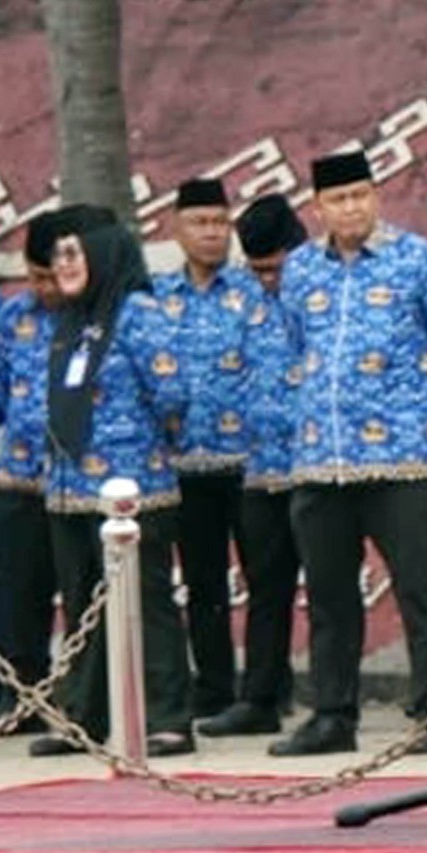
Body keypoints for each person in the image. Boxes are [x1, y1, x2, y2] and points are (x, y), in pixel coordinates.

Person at [268, 150, 427, 758]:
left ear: (376, 196)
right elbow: (293, 349)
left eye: (360, 195)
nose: (351, 208)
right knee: (328, 597)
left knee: (421, 591)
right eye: (338, 199)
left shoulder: (419, 261)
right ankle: (332, 716)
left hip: (401, 459)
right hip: (321, 460)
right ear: (318, 207)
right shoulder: (301, 269)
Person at [32, 216, 199, 757]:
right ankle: (84, 717)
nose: (63, 265)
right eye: (58, 256)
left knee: (146, 605)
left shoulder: (137, 313)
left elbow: (173, 393)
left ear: (103, 256)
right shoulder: (69, 319)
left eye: (73, 253)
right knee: (83, 606)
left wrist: (137, 442)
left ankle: (169, 718)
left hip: (131, 490)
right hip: (69, 487)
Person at [152, 177, 278, 721]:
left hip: (251, 465)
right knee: (203, 585)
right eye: (199, 223)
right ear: (176, 230)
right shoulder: (156, 298)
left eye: (220, 223)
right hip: (184, 464)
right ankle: (214, 689)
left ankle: (264, 692)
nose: (211, 233)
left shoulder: (255, 292)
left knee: (265, 579)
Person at [199, 193, 311, 738]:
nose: (268, 280)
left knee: (330, 593)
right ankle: (260, 698)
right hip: (260, 467)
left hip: (320, 469)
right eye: (258, 269)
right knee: (266, 588)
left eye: (276, 269)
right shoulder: (242, 299)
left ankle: (336, 702)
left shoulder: (324, 292)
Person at [0, 211, 63, 725]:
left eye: (53, 276)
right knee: (20, 598)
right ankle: (22, 698)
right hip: (20, 479)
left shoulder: (89, 316)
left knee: (82, 595)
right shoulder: (11, 316)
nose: (46, 287)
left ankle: (85, 700)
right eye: (37, 276)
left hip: (77, 482)